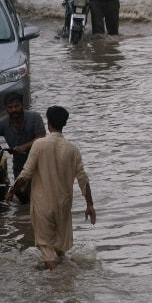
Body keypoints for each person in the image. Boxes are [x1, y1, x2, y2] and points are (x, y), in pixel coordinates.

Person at [4, 106, 96, 270]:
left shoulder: (39, 144)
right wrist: (90, 205)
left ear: (49, 124)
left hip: (43, 205)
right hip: (64, 205)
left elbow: (25, 174)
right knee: (59, 248)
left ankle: (56, 283)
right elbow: (83, 179)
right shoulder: (72, 149)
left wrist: (12, 191)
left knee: (46, 248)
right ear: (64, 124)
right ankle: (67, 277)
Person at [0, 92, 46, 204]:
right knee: (22, 196)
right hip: (19, 164)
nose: (14, 110)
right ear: (6, 109)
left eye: (17, 106)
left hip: (39, 162)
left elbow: (42, 138)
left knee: (41, 196)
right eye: (10, 107)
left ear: (22, 105)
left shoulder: (34, 117)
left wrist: (23, 147)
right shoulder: (3, 123)